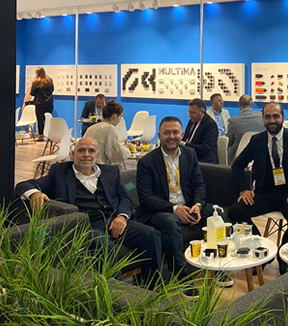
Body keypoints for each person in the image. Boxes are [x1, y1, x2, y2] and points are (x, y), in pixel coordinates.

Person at [14, 137, 162, 286]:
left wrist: (122, 217)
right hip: (86, 225)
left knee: (150, 234)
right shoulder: (59, 173)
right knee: (103, 245)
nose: (86, 154)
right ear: (72, 155)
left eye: (91, 151)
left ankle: (152, 288)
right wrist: (34, 193)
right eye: (81, 150)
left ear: (97, 155)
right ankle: (116, 294)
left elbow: (124, 198)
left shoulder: (110, 172)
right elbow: (23, 185)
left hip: (114, 220)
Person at [136, 116, 232, 290]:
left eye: (175, 132)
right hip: (160, 210)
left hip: (188, 205)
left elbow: (199, 184)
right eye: (167, 133)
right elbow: (146, 198)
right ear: (159, 136)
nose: (171, 136)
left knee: (217, 213)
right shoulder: (146, 162)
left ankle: (216, 267)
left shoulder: (189, 154)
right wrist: (174, 209)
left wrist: (198, 205)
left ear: (182, 135)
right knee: (170, 221)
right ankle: (181, 276)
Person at [229, 102, 288, 274]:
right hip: (265, 193)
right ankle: (263, 250)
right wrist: (244, 190)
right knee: (235, 211)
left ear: (283, 117)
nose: (272, 120)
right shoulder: (257, 140)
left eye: (276, 116)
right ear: (263, 118)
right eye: (267, 117)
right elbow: (237, 165)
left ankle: (283, 257)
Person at [84, 100, 130, 166]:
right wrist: (128, 150)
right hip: (98, 166)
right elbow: (117, 155)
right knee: (118, 167)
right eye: (120, 117)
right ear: (114, 116)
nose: (120, 120)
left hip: (88, 164)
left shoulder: (92, 127)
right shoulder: (110, 128)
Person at [226, 94, 265, 164]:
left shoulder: (233, 121)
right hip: (260, 157)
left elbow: (229, 142)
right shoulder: (262, 117)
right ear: (252, 104)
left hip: (238, 159)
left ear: (239, 105)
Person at [181, 98, 218, 164]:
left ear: (202, 112)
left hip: (205, 160)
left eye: (193, 113)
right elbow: (185, 138)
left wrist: (184, 144)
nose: (190, 115)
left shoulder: (210, 124)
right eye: (189, 112)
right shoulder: (191, 121)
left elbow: (205, 148)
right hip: (190, 156)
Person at [30, 66, 54, 141]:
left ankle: (41, 135)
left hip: (39, 103)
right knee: (48, 119)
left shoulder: (36, 81)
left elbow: (32, 93)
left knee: (40, 119)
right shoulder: (49, 80)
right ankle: (50, 135)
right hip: (49, 102)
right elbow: (52, 90)